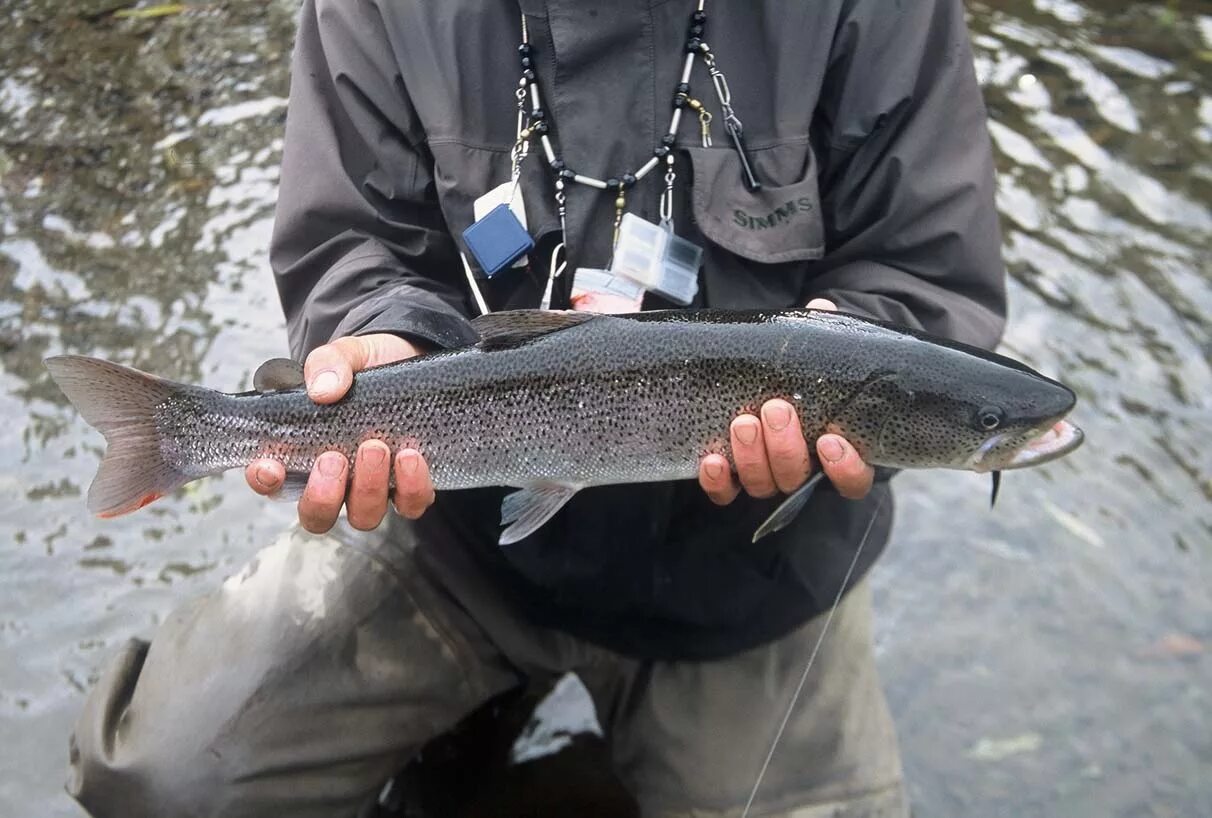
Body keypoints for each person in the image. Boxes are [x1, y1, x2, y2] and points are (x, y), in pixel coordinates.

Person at [66, 1, 1006, 816]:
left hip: (754, 584)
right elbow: (353, 241)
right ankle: (193, 441)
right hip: (456, 533)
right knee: (165, 781)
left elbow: (926, 274)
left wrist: (865, 333)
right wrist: (372, 331)